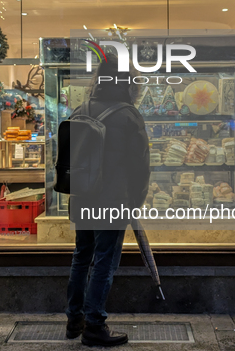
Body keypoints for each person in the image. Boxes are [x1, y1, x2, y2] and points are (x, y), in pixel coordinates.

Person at [65, 52, 150, 347]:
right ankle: (95, 326)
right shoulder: (129, 115)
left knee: (81, 257)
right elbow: (140, 166)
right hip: (113, 201)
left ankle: (74, 319)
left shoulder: (80, 110)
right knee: (104, 261)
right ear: (128, 82)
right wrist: (136, 201)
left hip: (82, 196)